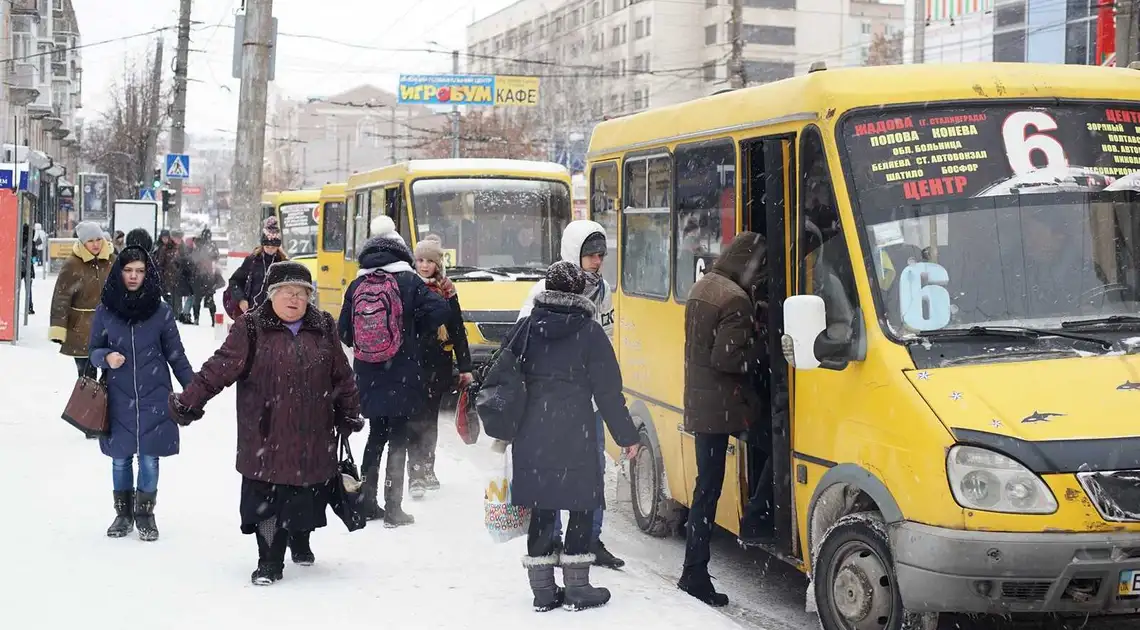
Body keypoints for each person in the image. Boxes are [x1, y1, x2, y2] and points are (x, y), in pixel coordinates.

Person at [169, 261, 364, 585]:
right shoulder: (251, 327)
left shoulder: (323, 326)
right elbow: (218, 369)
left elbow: (342, 375)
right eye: (287, 292)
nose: (294, 299)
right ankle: (270, 562)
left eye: (301, 294)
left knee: (306, 494)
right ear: (272, 295)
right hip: (265, 434)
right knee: (267, 503)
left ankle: (301, 540)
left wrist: (348, 411)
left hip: (312, 434)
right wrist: (188, 402)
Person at [508, 261, 640, 613]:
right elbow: (609, 392)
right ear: (580, 292)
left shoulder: (526, 328)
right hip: (575, 432)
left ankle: (542, 591)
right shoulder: (590, 332)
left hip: (532, 432)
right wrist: (627, 435)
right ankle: (578, 588)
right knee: (580, 504)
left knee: (542, 505)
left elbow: (503, 375)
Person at [517, 219, 622, 569]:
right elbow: (521, 347)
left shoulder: (604, 291)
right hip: (548, 406)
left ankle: (590, 538)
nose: (596, 262)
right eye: (590, 255)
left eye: (601, 255)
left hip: (586, 401)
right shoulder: (539, 294)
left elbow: (606, 335)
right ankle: (555, 543)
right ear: (573, 253)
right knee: (551, 476)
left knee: (591, 472)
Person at [339, 215, 449, 528]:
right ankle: (393, 508)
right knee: (398, 438)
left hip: (369, 371)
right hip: (402, 370)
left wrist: (371, 345)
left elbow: (343, 331)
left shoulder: (359, 282)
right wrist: (412, 333)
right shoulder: (409, 280)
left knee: (376, 437)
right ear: (400, 251)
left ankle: (367, 502)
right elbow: (441, 310)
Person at [679, 231, 767, 608]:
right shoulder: (735, 300)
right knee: (769, 446)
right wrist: (765, 345)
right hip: (724, 405)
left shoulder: (704, 287)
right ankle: (696, 572)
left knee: (705, 487)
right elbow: (727, 359)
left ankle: (693, 568)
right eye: (757, 266)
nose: (758, 273)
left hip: (700, 402)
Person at [88, 246, 193, 541]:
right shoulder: (106, 310)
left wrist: (195, 388)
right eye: (128, 270)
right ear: (119, 272)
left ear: (148, 274)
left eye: (140, 271)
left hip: (154, 396)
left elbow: (176, 355)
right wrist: (106, 357)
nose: (134, 276)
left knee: (149, 458)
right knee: (120, 458)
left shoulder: (160, 311)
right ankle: (122, 514)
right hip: (118, 399)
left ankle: (146, 515)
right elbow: (92, 352)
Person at [408, 235, 473, 498]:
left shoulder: (447, 290)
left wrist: (465, 365)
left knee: (430, 420)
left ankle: (428, 467)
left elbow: (457, 329)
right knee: (414, 418)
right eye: (420, 260)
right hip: (412, 365)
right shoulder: (408, 286)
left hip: (439, 364)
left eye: (429, 261)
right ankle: (414, 474)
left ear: (438, 264)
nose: (424, 266)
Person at [50, 221, 114, 379]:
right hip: (81, 329)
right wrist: (58, 328)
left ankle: (106, 403)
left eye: (98, 239)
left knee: (112, 374)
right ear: (82, 242)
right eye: (90, 241)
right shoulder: (72, 264)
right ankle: (87, 404)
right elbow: (61, 297)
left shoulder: (112, 260)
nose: (96, 244)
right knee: (86, 376)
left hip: (110, 327)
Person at [227, 216, 287, 315]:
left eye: (273, 247)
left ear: (278, 247)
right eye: (267, 246)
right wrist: (241, 299)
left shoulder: (283, 264)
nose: (270, 250)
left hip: (276, 314)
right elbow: (235, 281)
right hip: (252, 311)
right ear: (262, 245)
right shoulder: (252, 260)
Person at [189, 227, 221, 325]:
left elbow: (193, 258)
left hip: (204, 276)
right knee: (205, 299)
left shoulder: (205, 245)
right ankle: (206, 319)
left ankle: (199, 319)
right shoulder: (207, 245)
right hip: (204, 276)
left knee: (202, 299)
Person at [20, 224, 35, 314]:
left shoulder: (19, 240)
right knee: (28, 289)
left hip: (19, 268)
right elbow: (34, 253)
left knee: (16, 288)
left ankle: (13, 305)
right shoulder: (30, 241)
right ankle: (29, 307)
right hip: (28, 267)